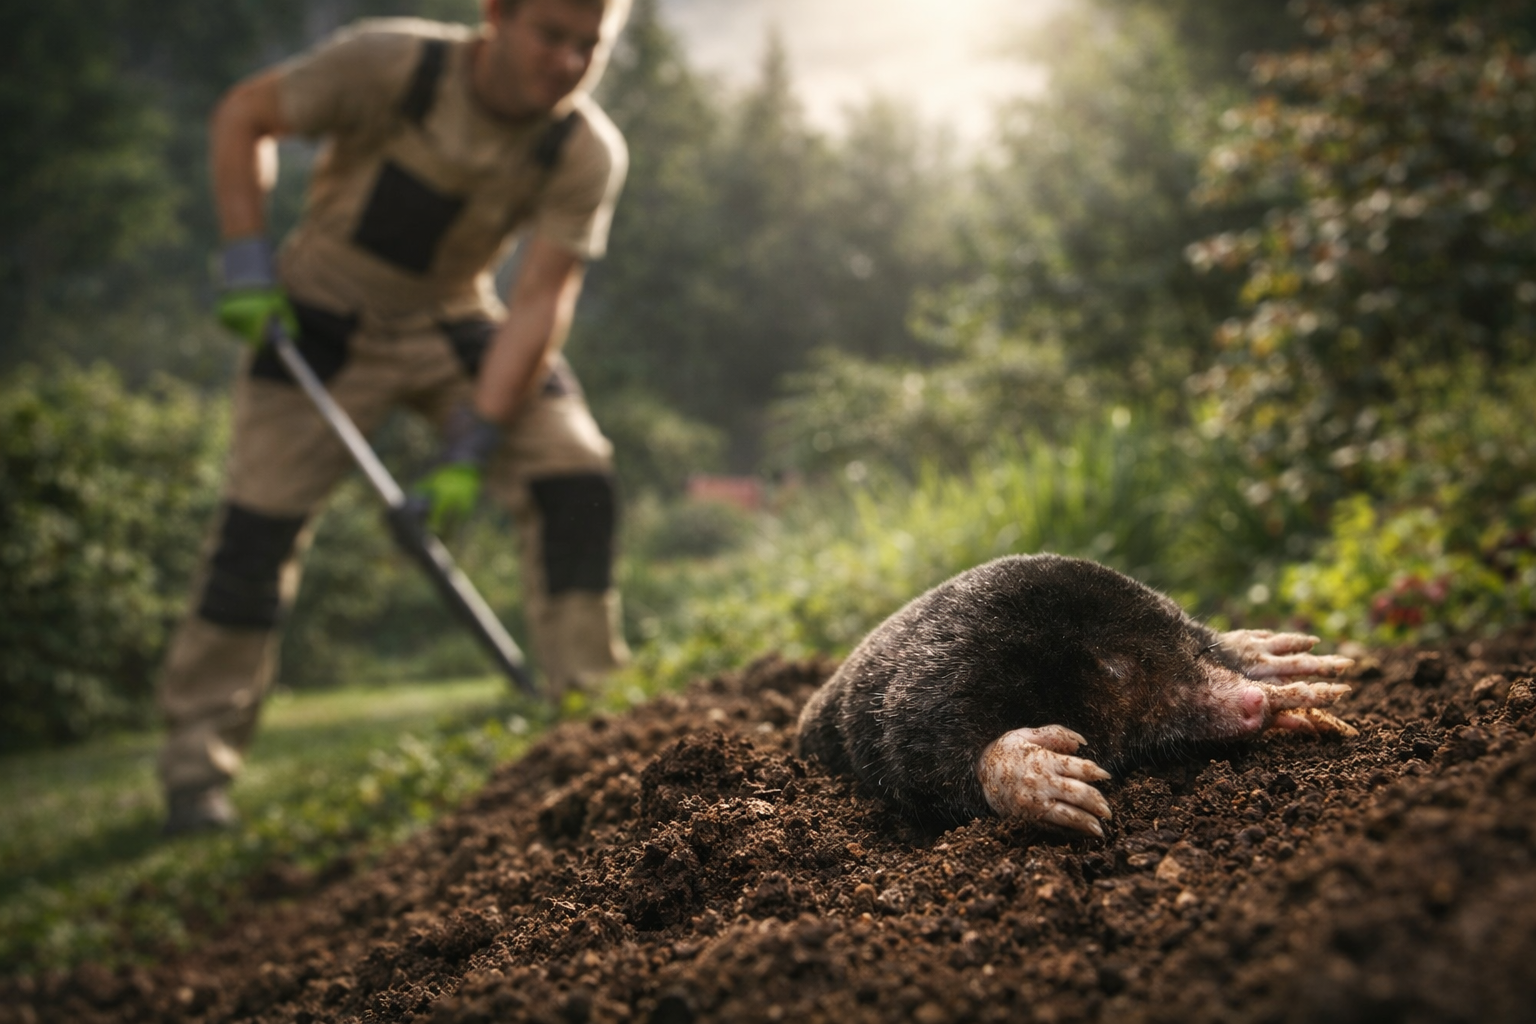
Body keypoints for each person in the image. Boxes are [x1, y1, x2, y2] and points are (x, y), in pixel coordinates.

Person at [158, 0, 633, 835]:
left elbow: (540, 299)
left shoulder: (582, 147)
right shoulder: (392, 64)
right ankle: (197, 773)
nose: (566, 62)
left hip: (450, 322)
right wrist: (244, 256)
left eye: (587, 46)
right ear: (497, 15)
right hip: (319, 315)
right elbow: (244, 116)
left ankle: (594, 726)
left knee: (574, 472)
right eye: (550, 35)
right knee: (254, 537)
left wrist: (476, 440)